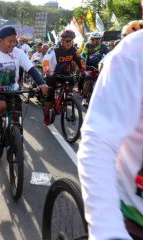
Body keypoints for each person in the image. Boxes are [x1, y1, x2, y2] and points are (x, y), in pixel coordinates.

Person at [77, 28, 143, 240]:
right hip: (134, 212)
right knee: (84, 81)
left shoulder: (105, 47)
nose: (95, 41)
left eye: (97, 38)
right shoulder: (129, 51)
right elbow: (87, 62)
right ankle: (83, 98)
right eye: (94, 38)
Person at [0, 27, 48, 138]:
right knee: (1, 106)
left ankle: (16, 141)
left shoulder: (18, 53)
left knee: (15, 117)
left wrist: (41, 83)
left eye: (15, 41)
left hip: (14, 89)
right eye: (10, 41)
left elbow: (31, 68)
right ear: (0, 41)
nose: (13, 44)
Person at [42, 30, 85, 126]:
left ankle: (66, 98)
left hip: (65, 72)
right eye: (67, 41)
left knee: (72, 80)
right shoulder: (54, 49)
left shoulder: (73, 50)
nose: (69, 43)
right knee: (50, 95)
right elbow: (45, 61)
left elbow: (80, 60)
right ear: (62, 40)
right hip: (52, 73)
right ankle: (46, 115)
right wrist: (47, 71)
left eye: (71, 41)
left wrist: (83, 69)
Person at [80, 32, 109, 107]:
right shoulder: (88, 45)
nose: (92, 41)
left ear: (99, 40)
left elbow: (108, 56)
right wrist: (83, 64)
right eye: (91, 39)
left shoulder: (103, 47)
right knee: (87, 81)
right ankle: (85, 99)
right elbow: (83, 55)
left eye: (94, 40)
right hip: (89, 66)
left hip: (99, 67)